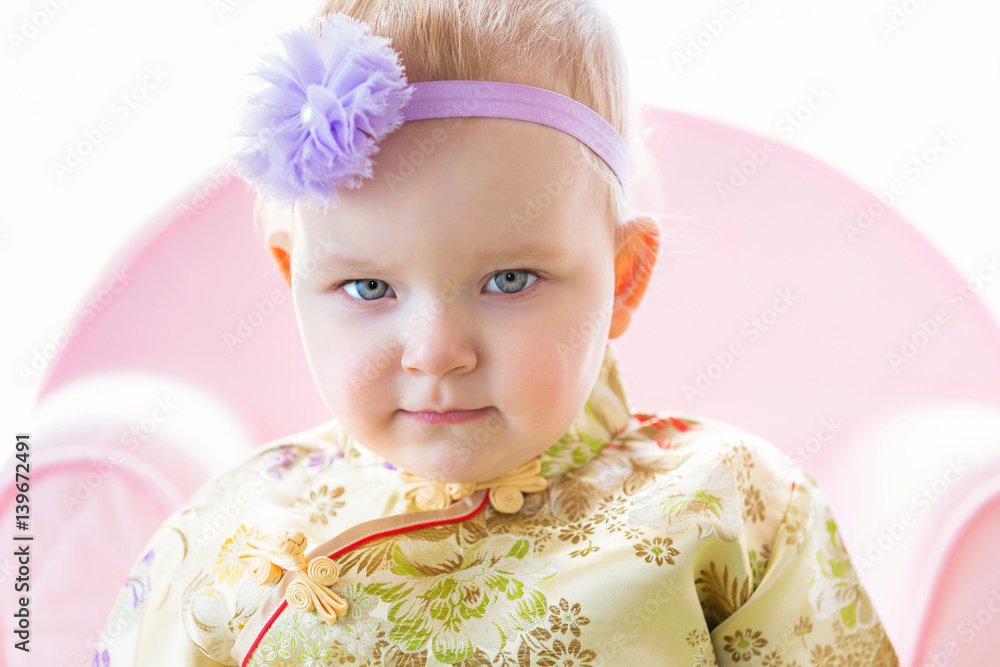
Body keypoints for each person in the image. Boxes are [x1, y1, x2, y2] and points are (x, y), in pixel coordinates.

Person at [92, 1, 900, 665]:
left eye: (509, 280)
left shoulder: (734, 504)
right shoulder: (228, 535)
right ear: (292, 280)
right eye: (368, 286)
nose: (438, 350)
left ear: (623, 276)